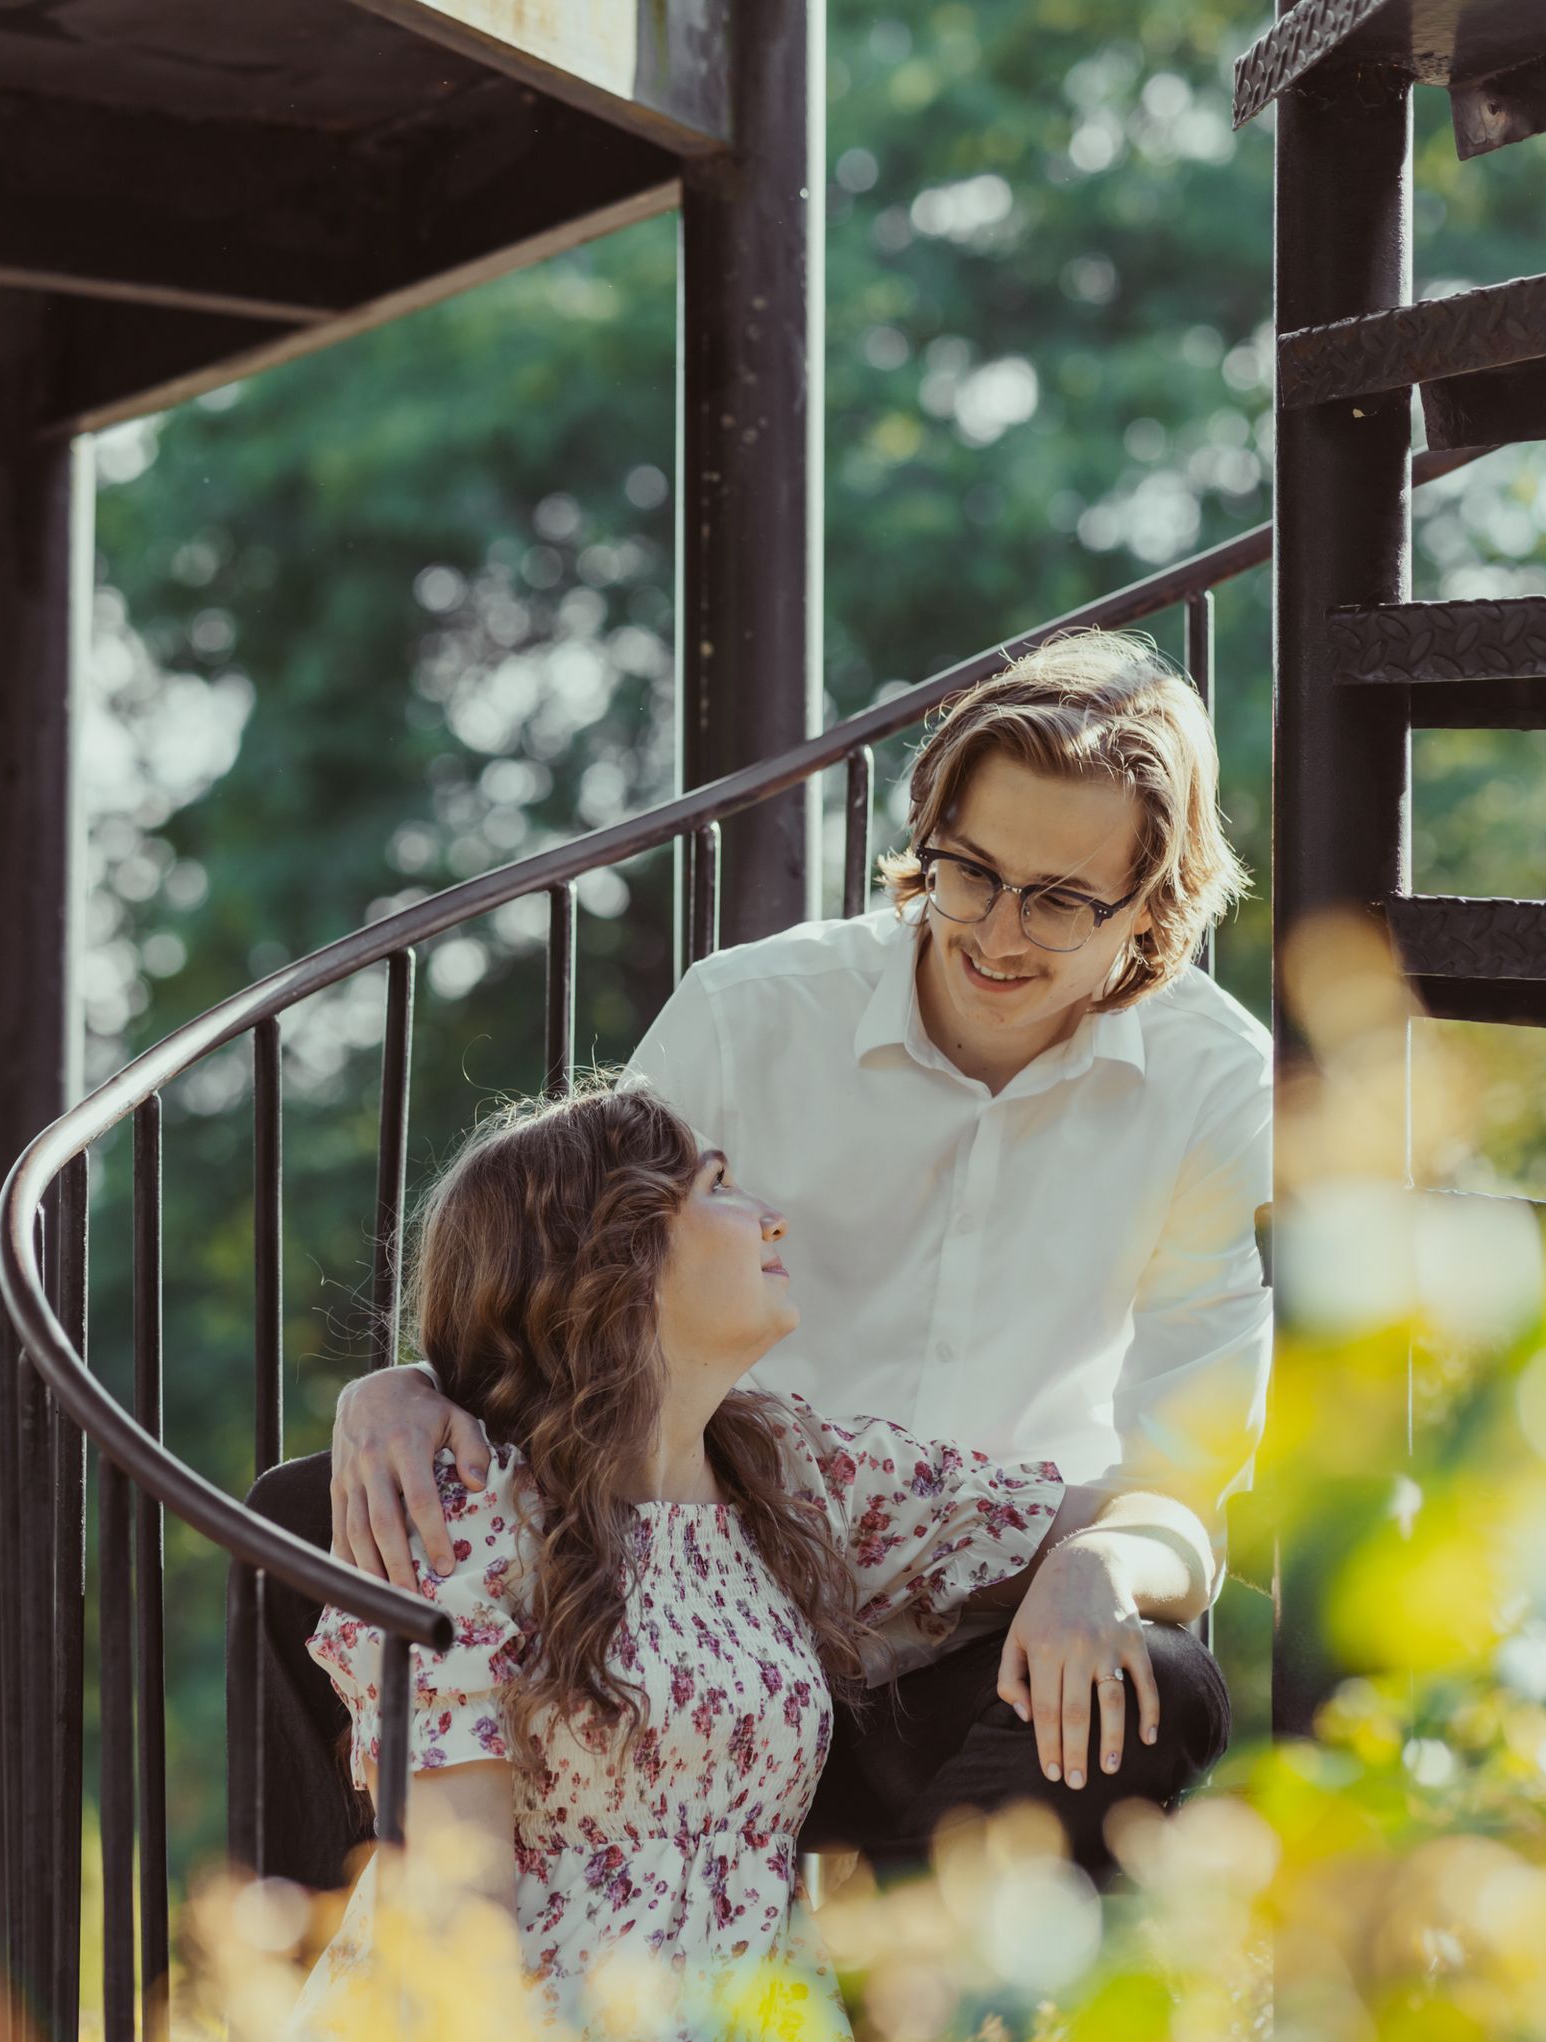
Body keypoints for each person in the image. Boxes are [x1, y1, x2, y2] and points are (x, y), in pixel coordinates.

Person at [322, 626, 1268, 1879]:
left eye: (1060, 900)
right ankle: (332, 1985)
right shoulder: (749, 1011)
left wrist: (1104, 1557)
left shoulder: (1216, 1083)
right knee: (332, 1525)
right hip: (688, 1611)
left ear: (1154, 907)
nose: (993, 932)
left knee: (1157, 1685)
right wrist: (407, 1386)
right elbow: (564, 1269)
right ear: (927, 836)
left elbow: (1188, 1463)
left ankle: (891, 2009)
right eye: (968, 871)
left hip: (981, 1615)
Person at [303, 1079, 1105, 2042]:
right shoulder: (467, 1512)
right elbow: (458, 1900)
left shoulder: (793, 1474)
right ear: (617, 1256)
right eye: (720, 1185)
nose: (772, 1216)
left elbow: (1127, 1510)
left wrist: (1102, 1562)